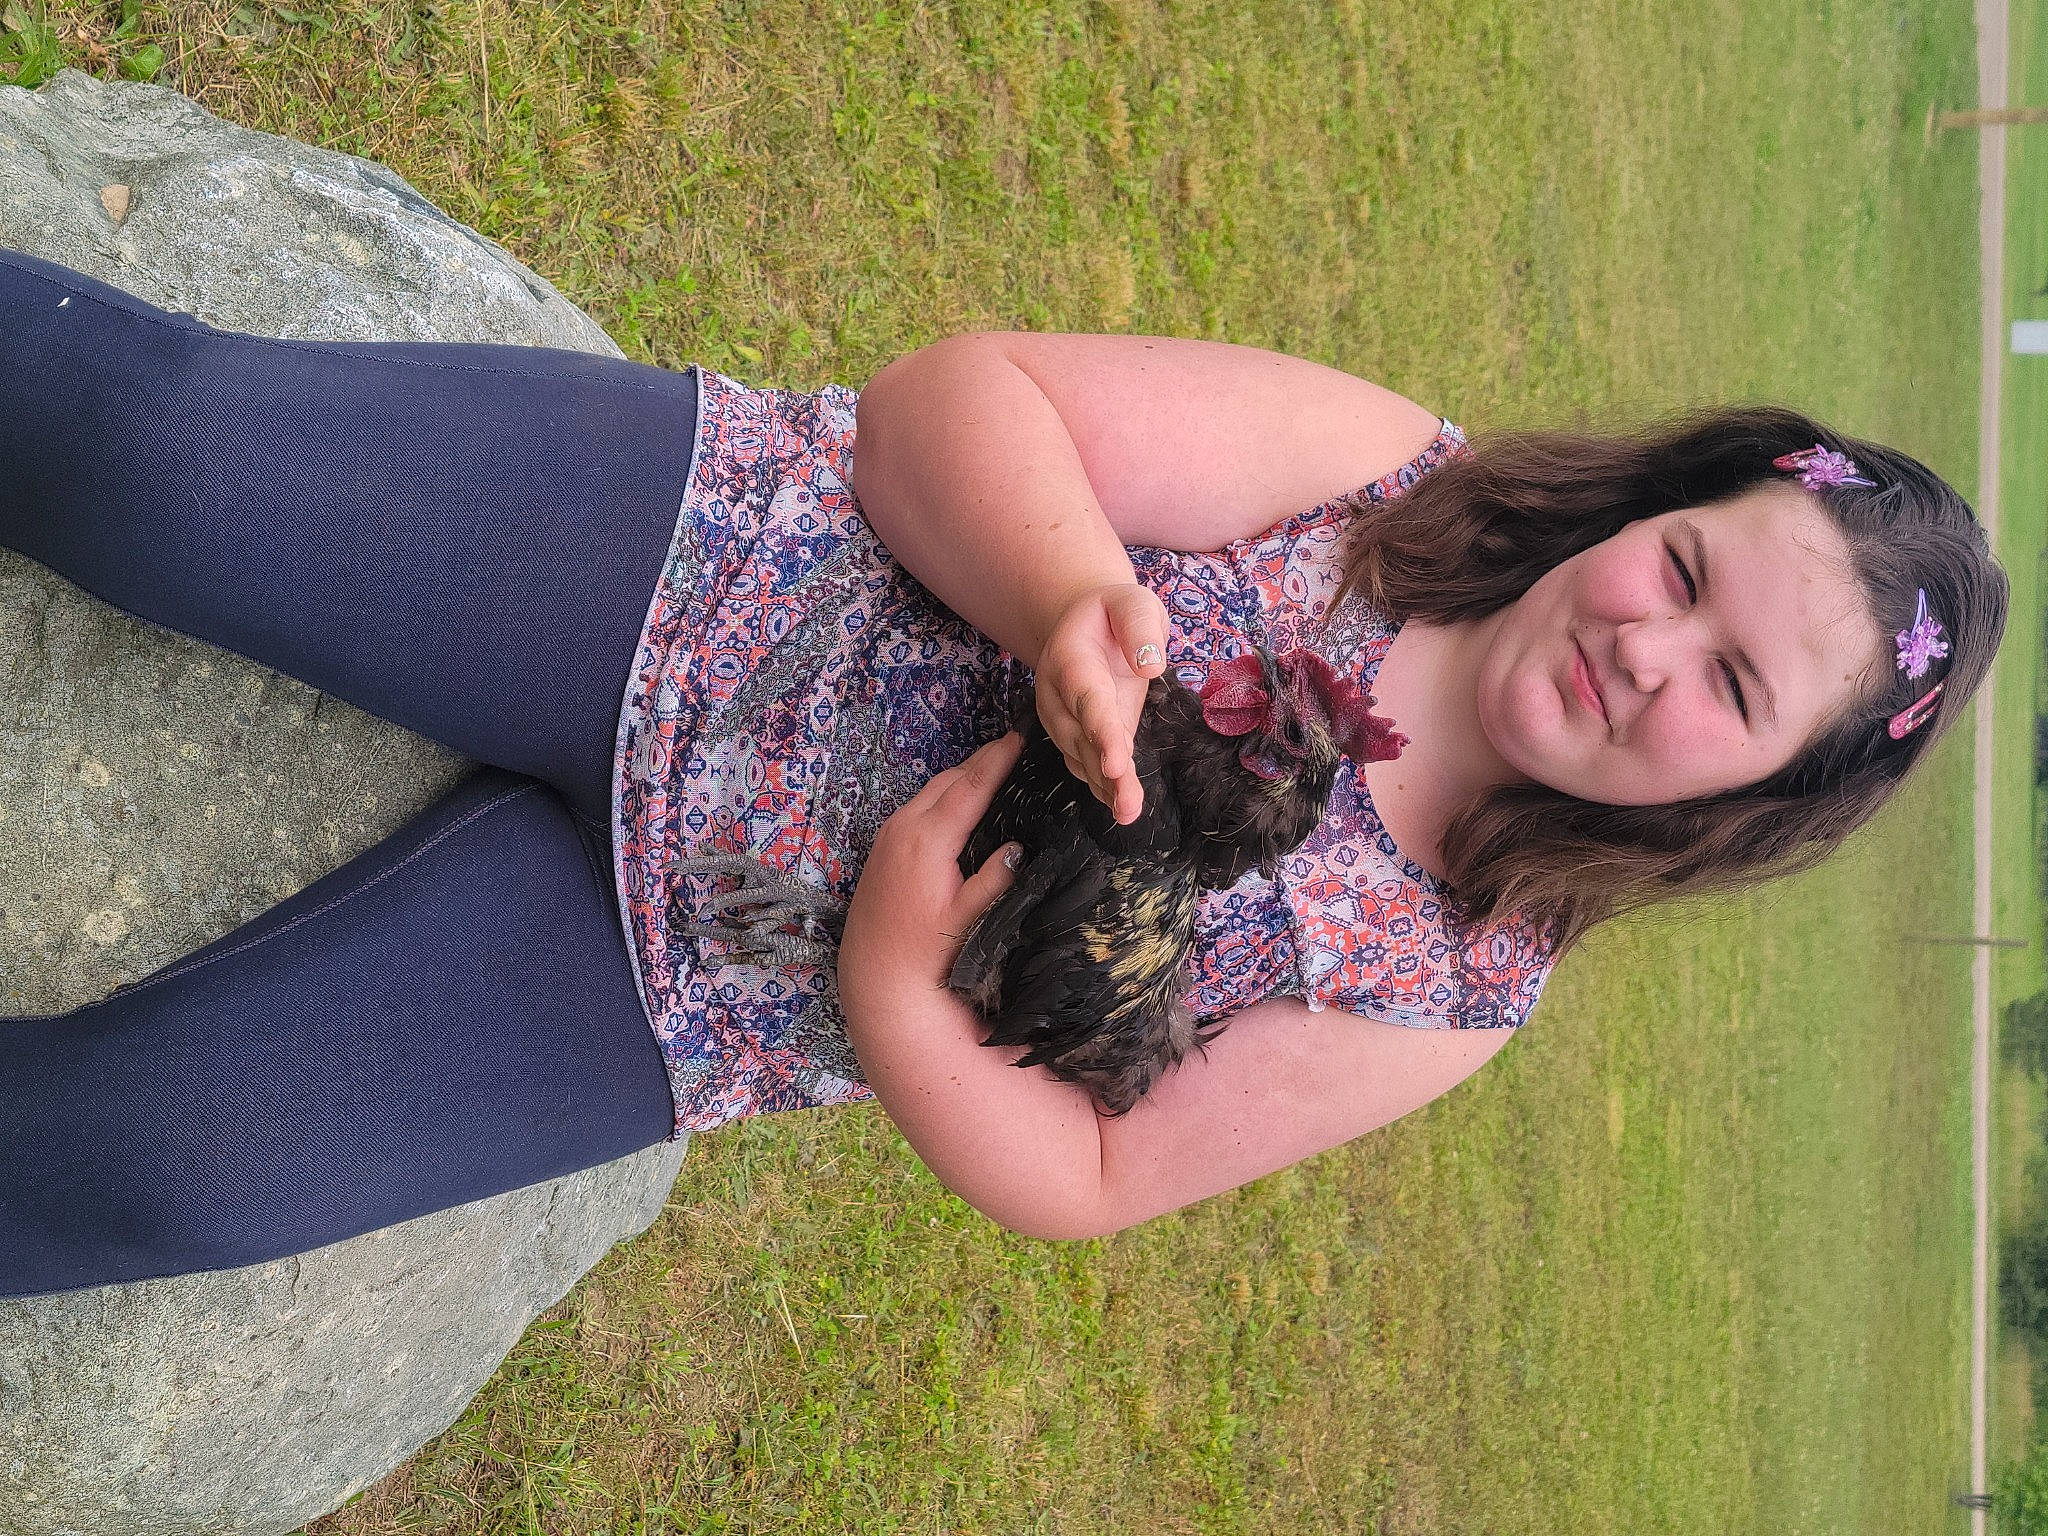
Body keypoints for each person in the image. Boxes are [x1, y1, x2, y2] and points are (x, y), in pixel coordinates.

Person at [0, 244, 2005, 1299]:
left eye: (1726, 686)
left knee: (180, 1171)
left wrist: (887, 990)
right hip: (688, 566)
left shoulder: (1450, 987)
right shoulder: (1387, 481)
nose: (1642, 646)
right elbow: (959, 404)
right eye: (1678, 567)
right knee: (173, 457)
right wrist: (1059, 599)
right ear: (1657, 503)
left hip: (702, 973)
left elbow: (1098, 1173)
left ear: (1743, 802)